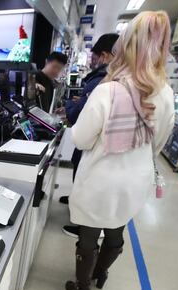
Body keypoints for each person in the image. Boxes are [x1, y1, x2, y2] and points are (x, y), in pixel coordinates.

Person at [64, 11, 175, 290]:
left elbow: (80, 138)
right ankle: (101, 274)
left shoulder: (108, 90)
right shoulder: (165, 93)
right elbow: (159, 142)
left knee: (89, 235)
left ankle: (82, 285)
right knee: (116, 229)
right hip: (137, 179)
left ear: (124, 48)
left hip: (101, 178)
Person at [60, 33, 120, 238]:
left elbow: (78, 116)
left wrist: (71, 105)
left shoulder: (102, 82)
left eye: (94, 56)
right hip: (108, 150)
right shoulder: (120, 81)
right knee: (83, 178)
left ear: (105, 55)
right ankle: (78, 208)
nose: (92, 61)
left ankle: (83, 227)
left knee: (87, 182)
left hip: (93, 145)